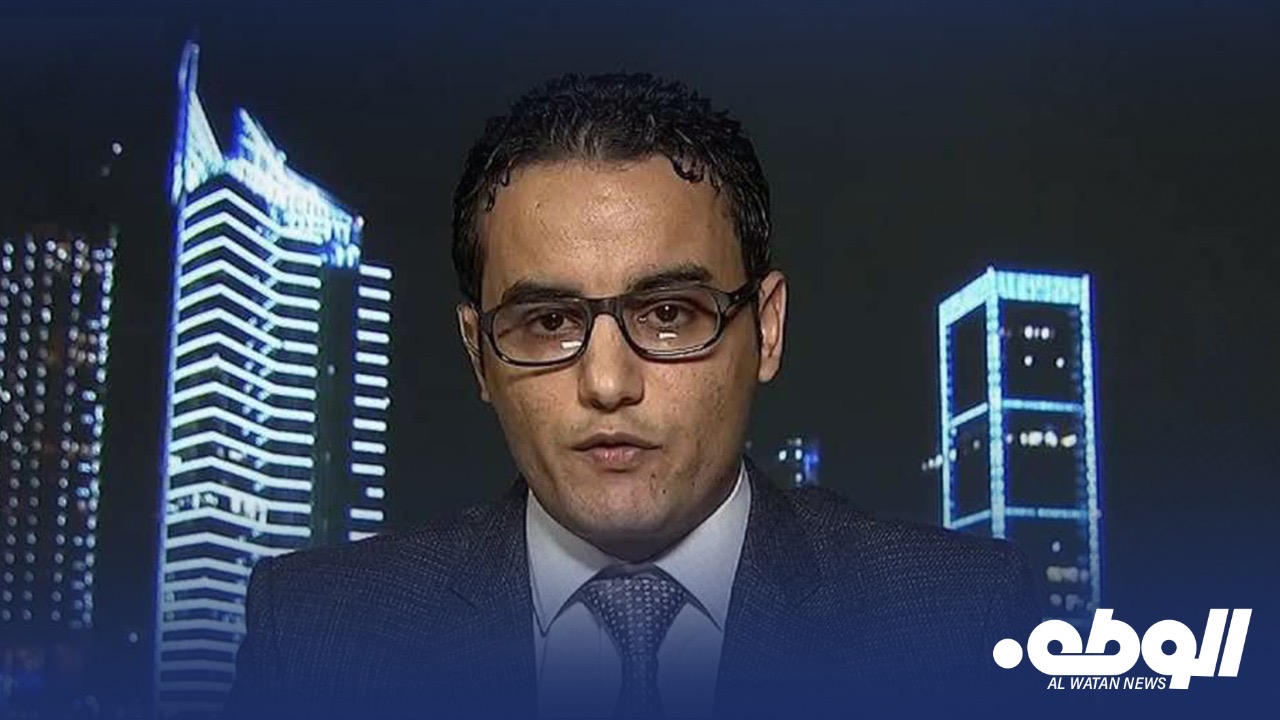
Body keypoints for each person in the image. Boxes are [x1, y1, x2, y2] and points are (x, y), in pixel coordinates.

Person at [223, 73, 1039, 719]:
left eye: (670, 315)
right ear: (479, 355)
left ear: (768, 330)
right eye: (548, 322)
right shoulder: (318, 637)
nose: (608, 383)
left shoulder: (963, 623)